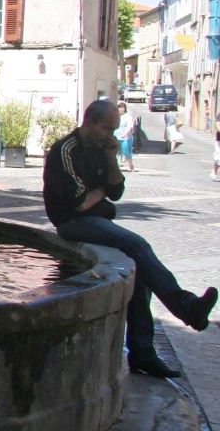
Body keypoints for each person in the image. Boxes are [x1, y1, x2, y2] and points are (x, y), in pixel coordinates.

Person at [44, 100, 216, 378]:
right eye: (106, 128)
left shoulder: (104, 150)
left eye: (113, 129)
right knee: (137, 245)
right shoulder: (65, 150)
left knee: (141, 271)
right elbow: (77, 204)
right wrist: (101, 192)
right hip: (71, 222)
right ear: (89, 122)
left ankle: (143, 353)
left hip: (95, 218)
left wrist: (111, 159)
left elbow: (117, 191)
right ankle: (185, 307)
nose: (110, 135)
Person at [114, 101, 136, 173]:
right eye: (119, 108)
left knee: (126, 152)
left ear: (125, 109)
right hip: (116, 136)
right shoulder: (115, 116)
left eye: (122, 108)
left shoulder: (128, 116)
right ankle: (115, 167)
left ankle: (130, 165)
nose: (121, 109)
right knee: (115, 152)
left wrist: (125, 134)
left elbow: (130, 127)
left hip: (125, 138)